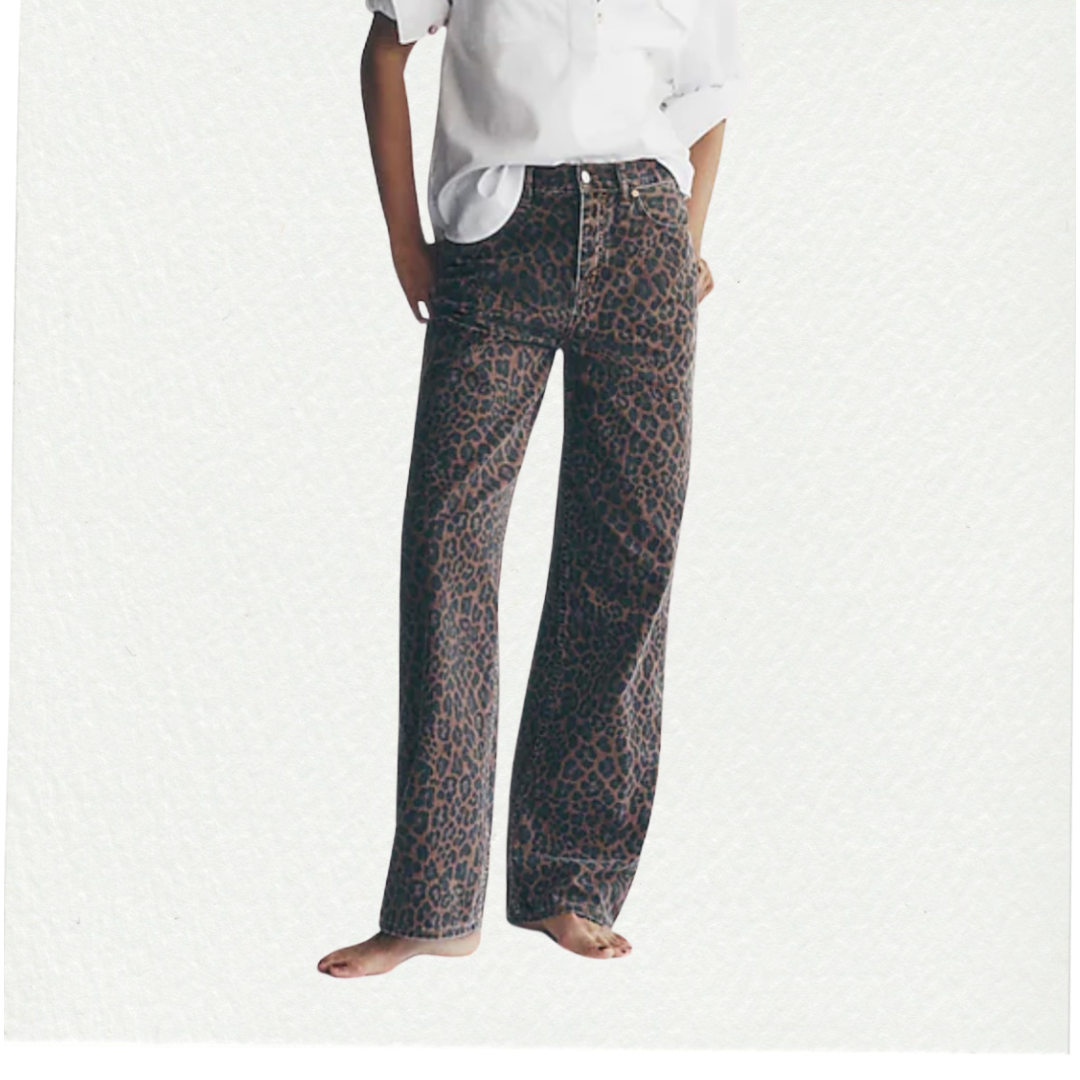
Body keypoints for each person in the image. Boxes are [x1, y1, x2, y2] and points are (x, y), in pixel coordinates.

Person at [318, 0, 749, 978]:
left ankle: (567, 880)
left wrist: (684, 243)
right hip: (498, 236)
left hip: (644, 236)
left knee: (626, 556)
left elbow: (709, 96)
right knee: (448, 549)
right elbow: (384, 54)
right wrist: (405, 242)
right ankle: (432, 904)